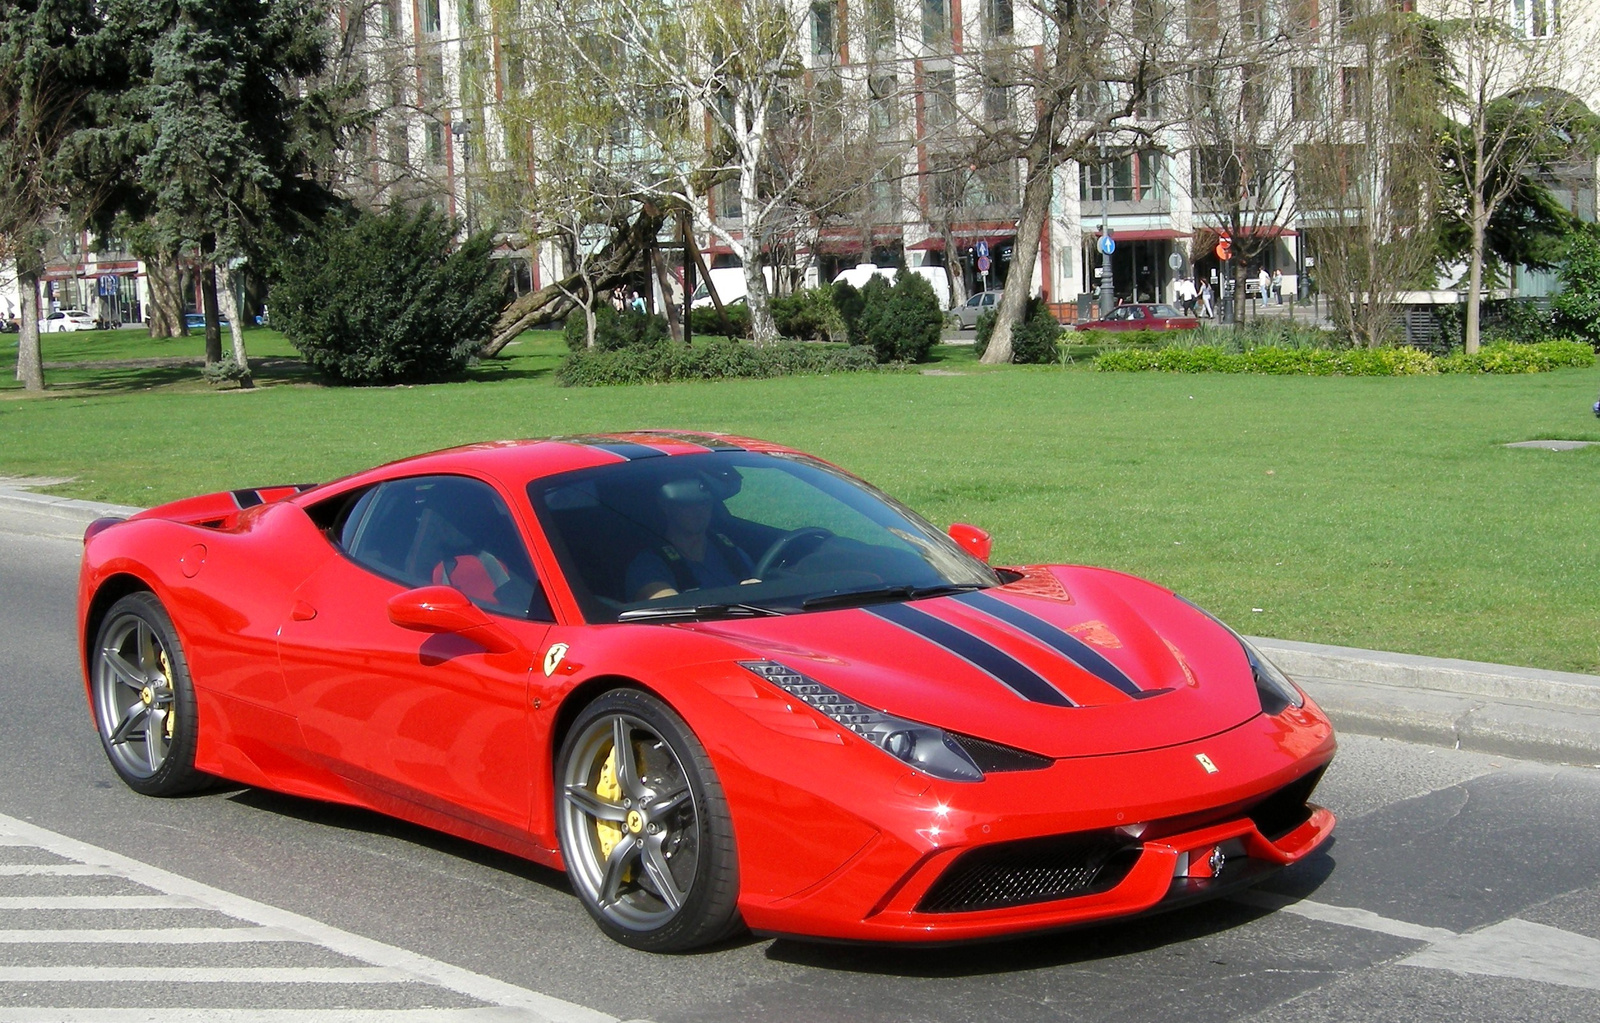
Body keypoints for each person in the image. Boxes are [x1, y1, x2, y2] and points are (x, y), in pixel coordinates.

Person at [626, 476, 756, 602]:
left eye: (704, 502)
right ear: (666, 506)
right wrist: (740, 596)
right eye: (688, 504)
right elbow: (670, 610)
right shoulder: (648, 565)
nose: (699, 510)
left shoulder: (730, 551)